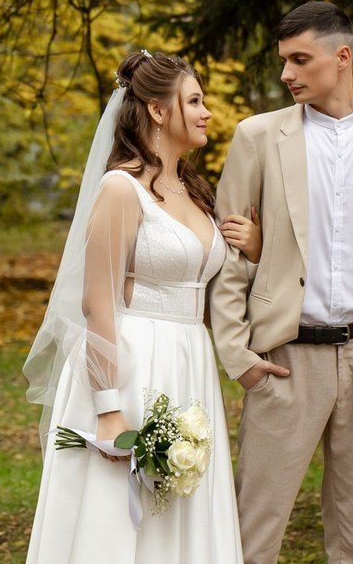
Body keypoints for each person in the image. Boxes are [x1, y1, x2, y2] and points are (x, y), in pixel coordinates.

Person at [210, 1, 353, 564]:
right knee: (253, 535)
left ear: (342, 58)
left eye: (299, 59)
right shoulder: (257, 138)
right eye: (284, 62)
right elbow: (227, 255)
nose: (286, 74)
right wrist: (237, 356)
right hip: (286, 361)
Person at [23, 50, 259, 564]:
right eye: (194, 100)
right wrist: (109, 409)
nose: (206, 112)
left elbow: (212, 281)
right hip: (132, 366)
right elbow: (97, 303)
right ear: (157, 110)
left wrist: (255, 249)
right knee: (116, 517)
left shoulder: (195, 192)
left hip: (189, 364)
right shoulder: (120, 188)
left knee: (179, 511)